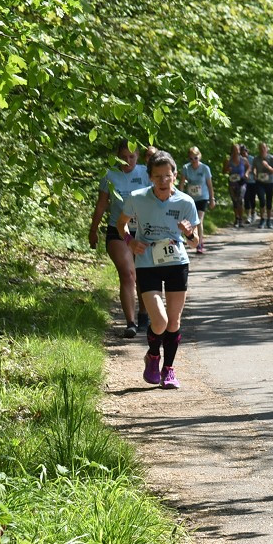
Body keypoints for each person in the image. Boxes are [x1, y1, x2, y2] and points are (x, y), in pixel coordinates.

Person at [118, 150, 200, 390]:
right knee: (160, 320)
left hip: (177, 263)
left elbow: (196, 243)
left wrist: (188, 233)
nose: (163, 181)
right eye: (158, 176)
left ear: (175, 175)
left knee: (173, 321)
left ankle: (168, 369)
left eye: (167, 175)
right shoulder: (136, 198)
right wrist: (130, 242)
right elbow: (120, 224)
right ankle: (153, 355)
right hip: (147, 263)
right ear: (150, 177)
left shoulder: (186, 202)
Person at [88, 138, 150, 337]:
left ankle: (143, 314)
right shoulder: (109, 175)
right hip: (118, 231)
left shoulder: (145, 173)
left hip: (142, 231)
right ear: (117, 157)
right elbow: (101, 204)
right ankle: (130, 323)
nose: (128, 161)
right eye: (123, 157)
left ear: (137, 156)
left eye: (131, 156)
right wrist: (93, 230)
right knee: (128, 273)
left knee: (142, 275)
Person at [179, 146, 215, 253]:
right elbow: (181, 184)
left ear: (199, 156)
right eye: (191, 159)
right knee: (190, 222)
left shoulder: (205, 168)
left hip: (202, 197)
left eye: (196, 158)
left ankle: (200, 244)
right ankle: (191, 240)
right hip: (190, 198)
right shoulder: (186, 168)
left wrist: (211, 198)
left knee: (199, 221)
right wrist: (180, 197)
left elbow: (209, 185)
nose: (194, 161)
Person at [251, 142, 273, 229]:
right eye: (260, 148)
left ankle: (269, 220)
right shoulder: (256, 159)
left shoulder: (272, 158)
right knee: (262, 200)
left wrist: (267, 166)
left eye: (264, 148)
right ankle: (262, 219)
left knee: (269, 202)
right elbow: (253, 168)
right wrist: (254, 174)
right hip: (259, 182)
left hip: (270, 182)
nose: (262, 150)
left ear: (267, 149)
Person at [224, 143, 249, 228]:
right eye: (234, 150)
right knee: (234, 201)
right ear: (231, 151)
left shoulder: (243, 160)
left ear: (239, 150)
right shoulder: (228, 160)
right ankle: (236, 218)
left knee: (240, 200)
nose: (235, 151)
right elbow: (223, 171)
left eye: (237, 150)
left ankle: (241, 219)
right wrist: (227, 169)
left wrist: (246, 173)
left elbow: (249, 167)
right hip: (232, 183)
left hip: (241, 182)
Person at [242, 144, 257, 225]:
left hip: (252, 181)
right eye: (241, 152)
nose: (243, 153)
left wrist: (254, 174)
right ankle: (248, 216)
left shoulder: (252, 159)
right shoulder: (240, 159)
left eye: (244, 151)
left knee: (252, 198)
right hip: (244, 182)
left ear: (247, 151)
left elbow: (255, 168)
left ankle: (253, 213)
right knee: (246, 198)